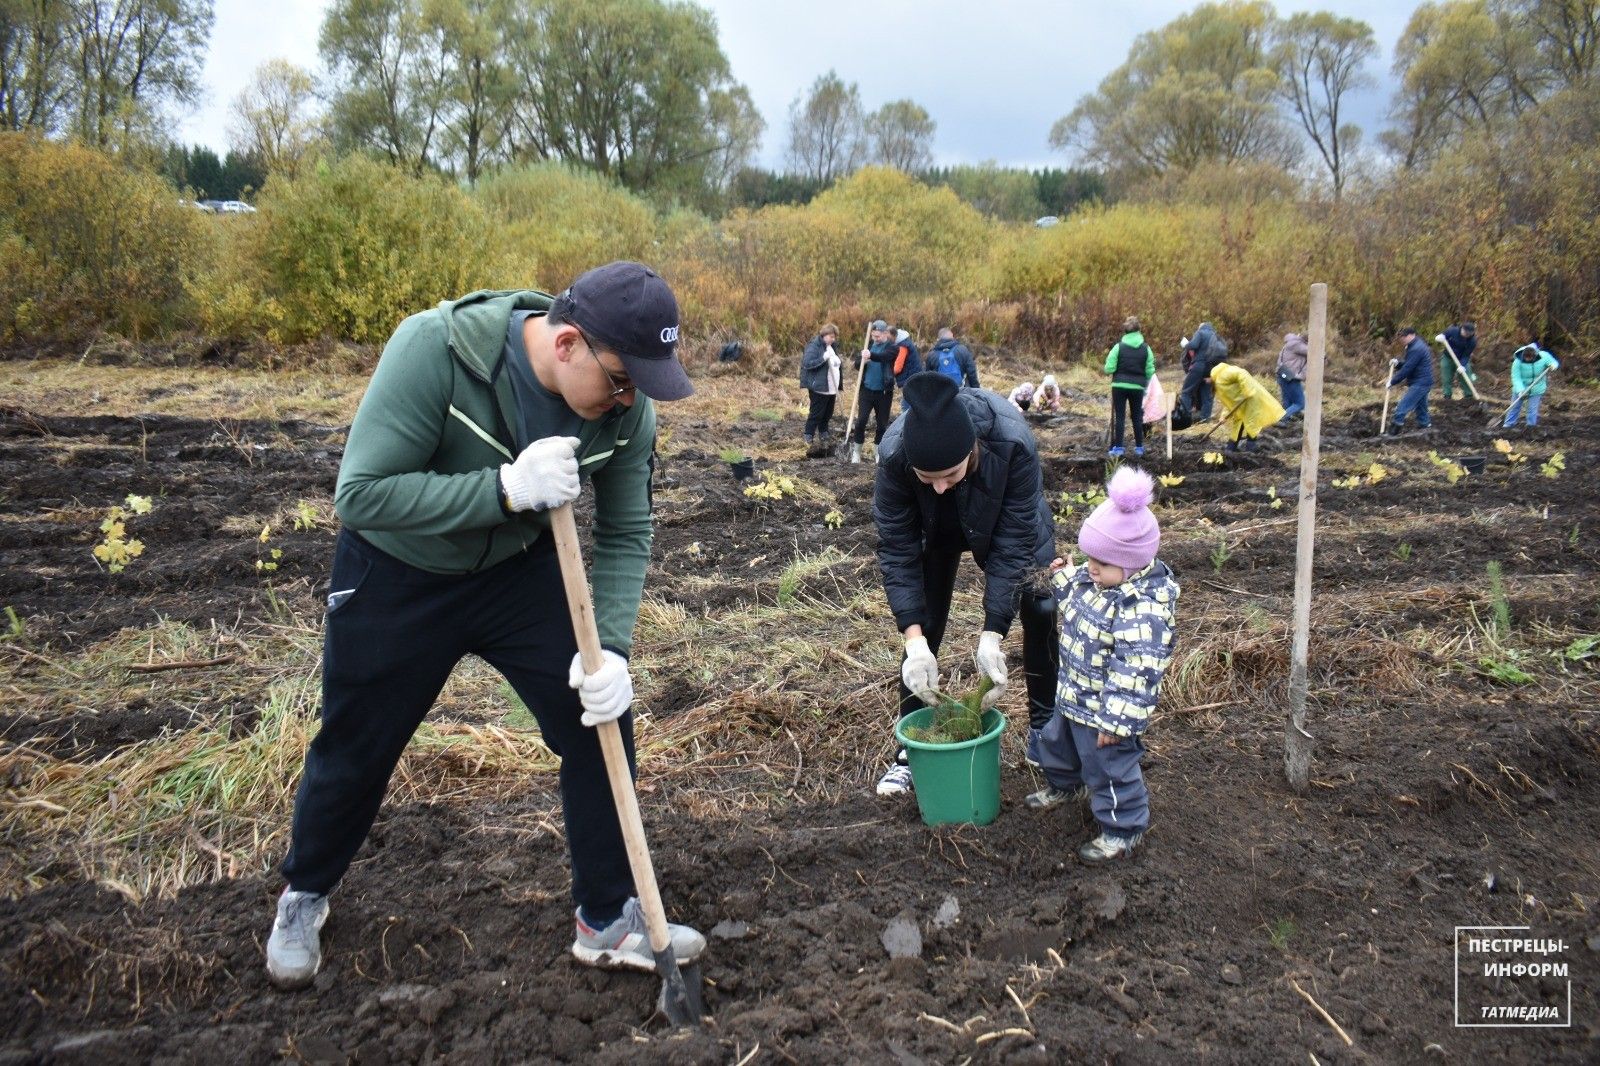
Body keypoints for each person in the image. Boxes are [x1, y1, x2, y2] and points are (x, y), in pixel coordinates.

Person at [264, 262, 705, 991]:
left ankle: (605, 919)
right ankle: (304, 895)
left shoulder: (628, 414)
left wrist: (615, 650)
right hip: (397, 573)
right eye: (623, 379)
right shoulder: (435, 352)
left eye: (643, 386)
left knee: (598, 715)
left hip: (518, 574)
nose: (630, 398)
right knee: (355, 744)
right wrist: (504, 488)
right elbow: (362, 494)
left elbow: (626, 530)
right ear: (567, 344)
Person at [871, 372, 1060, 796]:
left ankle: (1046, 729)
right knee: (927, 618)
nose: (938, 487)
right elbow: (897, 550)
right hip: (931, 529)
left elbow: (1014, 545)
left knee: (1040, 605)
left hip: (1007, 519)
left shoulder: (1012, 441)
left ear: (971, 449)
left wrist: (993, 632)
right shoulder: (895, 456)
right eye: (927, 477)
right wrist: (914, 642)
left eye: (949, 474)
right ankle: (911, 748)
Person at [1028, 466, 1179, 865]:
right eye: (1089, 557)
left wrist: (1117, 722)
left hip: (1106, 715)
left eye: (1102, 563)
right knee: (1056, 745)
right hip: (1072, 694)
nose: (1091, 567)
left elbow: (1137, 672)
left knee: (1109, 769)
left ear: (1132, 565)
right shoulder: (1097, 579)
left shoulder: (1141, 612)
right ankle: (1064, 786)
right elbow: (1079, 593)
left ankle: (1122, 828)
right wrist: (1063, 579)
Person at [1104, 316, 1155, 456]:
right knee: (1137, 416)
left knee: (1120, 417)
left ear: (1125, 331)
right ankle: (1139, 448)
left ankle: (1119, 448)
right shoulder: (1146, 348)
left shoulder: (1118, 347)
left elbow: (1108, 368)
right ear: (1139, 330)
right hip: (1138, 387)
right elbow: (1150, 371)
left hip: (1119, 385)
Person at [851, 319, 899, 463]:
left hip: (884, 392)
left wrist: (871, 356)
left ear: (885, 334)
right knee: (861, 422)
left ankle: (877, 452)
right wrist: (862, 361)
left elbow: (885, 358)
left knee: (882, 424)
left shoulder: (892, 348)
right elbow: (857, 365)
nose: (875, 339)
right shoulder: (869, 346)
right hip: (866, 391)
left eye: (878, 336)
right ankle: (856, 452)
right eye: (873, 336)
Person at [1208, 363, 1284, 451]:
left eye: (1205, 379)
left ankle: (1250, 451)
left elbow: (1241, 373)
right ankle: (1230, 450)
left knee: (1251, 426)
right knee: (1238, 428)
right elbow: (1228, 403)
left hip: (1250, 401)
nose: (1206, 382)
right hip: (1241, 406)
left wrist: (1248, 390)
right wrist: (1223, 416)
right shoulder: (1217, 386)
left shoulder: (1224, 374)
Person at [799, 322, 843, 452]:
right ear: (824, 335)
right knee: (816, 413)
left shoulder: (831, 346)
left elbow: (835, 364)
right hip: (819, 386)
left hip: (831, 387)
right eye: (831, 336)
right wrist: (823, 358)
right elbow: (807, 364)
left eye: (834, 337)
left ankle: (824, 433)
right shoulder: (814, 346)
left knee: (828, 413)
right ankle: (808, 435)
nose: (833, 339)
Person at [1388, 326, 1434, 435]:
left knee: (1404, 405)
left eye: (1403, 337)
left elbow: (1408, 368)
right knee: (1421, 405)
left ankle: (1395, 429)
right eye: (1400, 338)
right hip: (1423, 381)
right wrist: (1398, 363)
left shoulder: (1416, 348)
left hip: (1421, 382)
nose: (1401, 340)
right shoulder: (1414, 346)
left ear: (1411, 335)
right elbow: (1410, 363)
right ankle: (1425, 424)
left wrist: (1392, 381)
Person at [1504, 342, 1560, 427]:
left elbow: (1554, 362)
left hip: (1537, 388)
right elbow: (1516, 378)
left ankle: (1531, 428)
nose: (1527, 360)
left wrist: (1553, 365)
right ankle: (1508, 425)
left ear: (1534, 356)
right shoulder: (1517, 362)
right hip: (1520, 387)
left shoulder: (1544, 356)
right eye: (1526, 358)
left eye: (1530, 358)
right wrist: (1520, 390)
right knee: (1514, 407)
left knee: (1532, 410)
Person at [1179, 322, 1227, 420]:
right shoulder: (1215, 335)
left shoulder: (1200, 332)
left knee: (1186, 392)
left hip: (1199, 365)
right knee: (1206, 394)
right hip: (1210, 368)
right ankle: (1205, 418)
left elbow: (1193, 345)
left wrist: (1185, 344)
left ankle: (1185, 417)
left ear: (1200, 327)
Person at [1439, 321, 1477, 400]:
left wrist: (1462, 365)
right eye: (1465, 333)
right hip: (1448, 357)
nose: (1466, 335)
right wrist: (1441, 337)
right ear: (1462, 329)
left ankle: (1468, 396)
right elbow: (1444, 335)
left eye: (1468, 334)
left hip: (1461, 359)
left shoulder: (1472, 341)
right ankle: (1447, 395)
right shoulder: (1453, 331)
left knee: (1466, 376)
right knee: (1446, 377)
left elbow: (1466, 355)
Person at [1275, 332, 1309, 421]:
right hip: (1292, 377)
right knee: (1300, 403)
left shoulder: (1290, 342)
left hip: (1283, 374)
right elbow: (1314, 352)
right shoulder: (1297, 344)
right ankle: (1282, 418)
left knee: (1287, 401)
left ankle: (1285, 421)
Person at [892, 327, 923, 411]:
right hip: (915, 376)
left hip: (909, 378)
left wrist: (888, 374)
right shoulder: (907, 343)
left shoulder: (903, 347)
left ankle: (906, 421)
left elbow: (898, 367)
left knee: (906, 405)